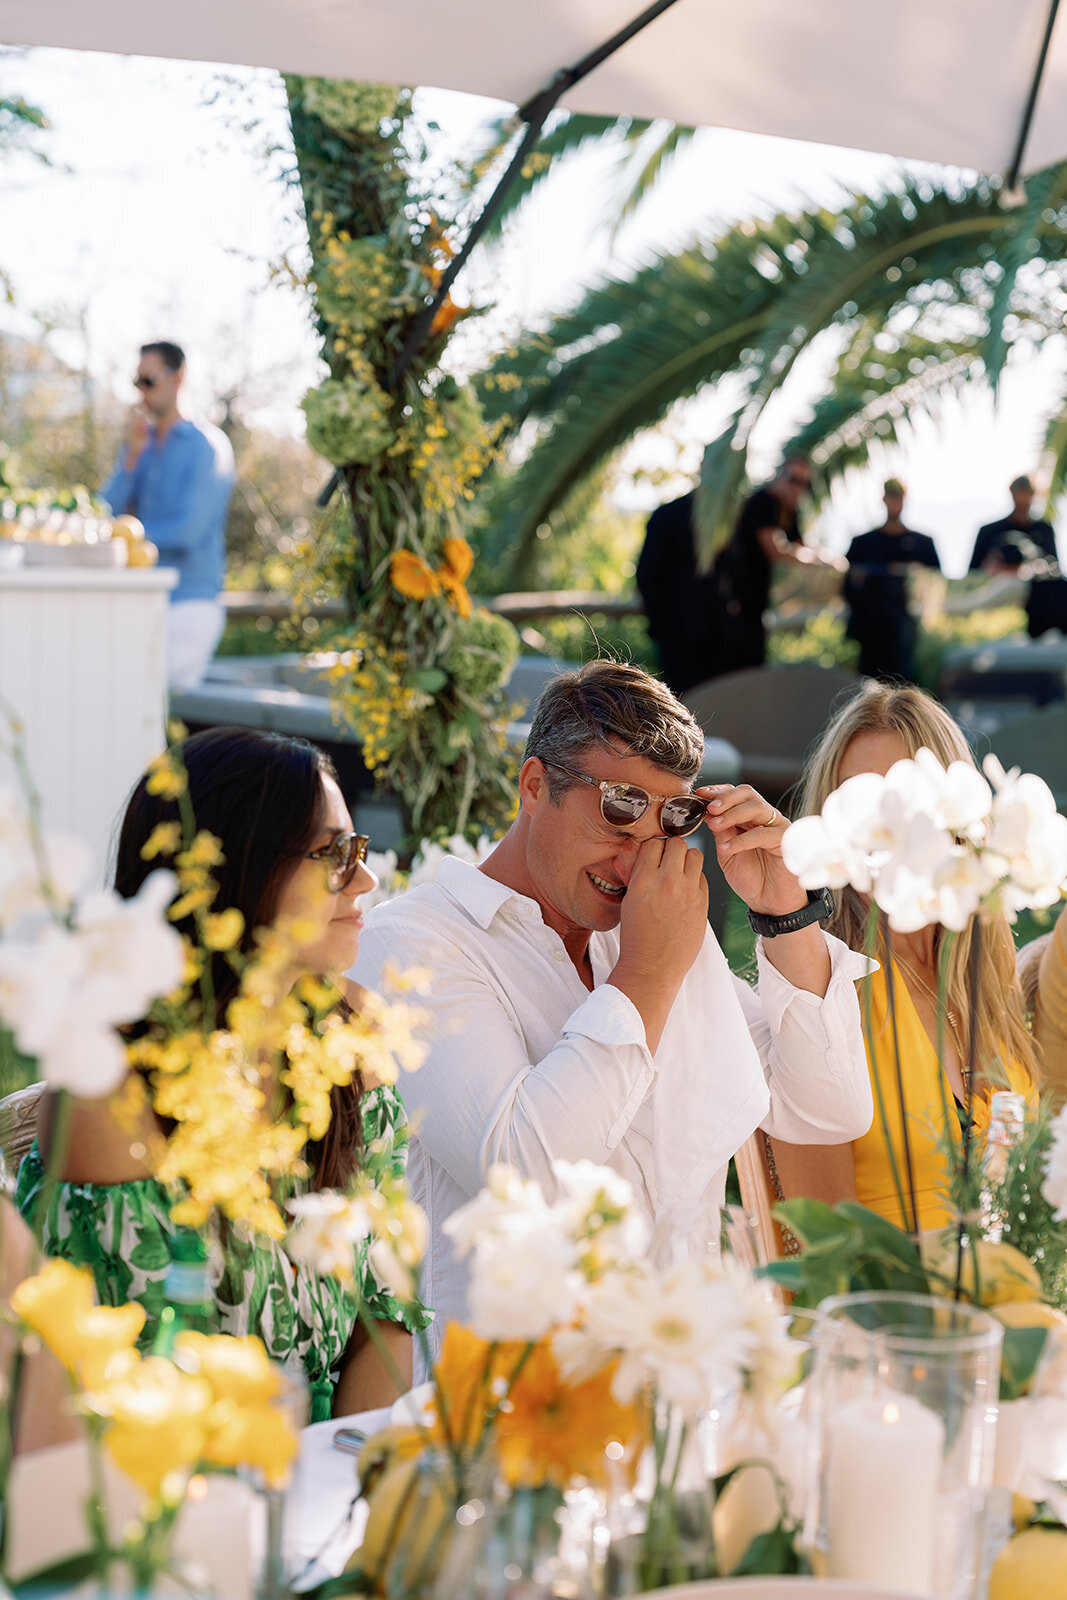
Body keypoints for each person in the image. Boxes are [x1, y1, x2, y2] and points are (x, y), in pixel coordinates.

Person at [354, 661, 873, 1371]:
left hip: (681, 1399)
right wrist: (647, 973)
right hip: (513, 1419)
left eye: (670, 821)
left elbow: (827, 1110)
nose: (637, 858)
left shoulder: (651, 926)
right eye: (618, 810)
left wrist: (786, 912)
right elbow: (524, 1173)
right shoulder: (412, 942)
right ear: (534, 786)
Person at [16, 727, 426, 1420]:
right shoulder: (113, 1094)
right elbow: (137, 1384)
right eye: (331, 854)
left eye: (356, 850)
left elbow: (384, 1314)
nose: (365, 879)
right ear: (237, 869)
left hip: (317, 1480)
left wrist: (342, 1484)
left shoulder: (350, 1035)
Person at [770, 684, 1037, 1232]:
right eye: (858, 805)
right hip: (889, 1304)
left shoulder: (984, 981)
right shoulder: (819, 991)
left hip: (1010, 1292)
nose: (881, 835)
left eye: (904, 805)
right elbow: (824, 1243)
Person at [101, 342, 236, 689]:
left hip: (188, 605)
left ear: (180, 378)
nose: (141, 391)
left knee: (153, 712)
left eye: (149, 380)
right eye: (137, 382)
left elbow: (187, 531)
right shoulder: (138, 445)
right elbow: (103, 515)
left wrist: (124, 536)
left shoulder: (207, 446)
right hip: (140, 602)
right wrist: (131, 460)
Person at [713, 453, 837, 671]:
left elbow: (800, 547)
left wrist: (820, 558)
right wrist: (819, 558)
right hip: (734, 602)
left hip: (758, 604)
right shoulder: (763, 501)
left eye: (804, 483)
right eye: (793, 478)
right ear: (779, 475)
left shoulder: (790, 510)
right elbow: (778, 551)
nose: (797, 487)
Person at [842, 478, 941, 682]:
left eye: (899, 496)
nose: (895, 501)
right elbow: (847, 588)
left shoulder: (922, 544)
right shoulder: (863, 543)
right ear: (884, 498)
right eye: (891, 496)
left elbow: (936, 586)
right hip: (870, 632)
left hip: (908, 632)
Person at [635, 491, 726, 695]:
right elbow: (647, 577)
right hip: (679, 643)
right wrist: (668, 627)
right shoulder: (668, 516)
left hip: (716, 643)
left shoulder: (729, 518)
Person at [970, 475, 1064, 638]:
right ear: (1012, 494)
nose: (1023, 499)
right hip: (999, 588)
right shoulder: (990, 531)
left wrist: (1022, 570)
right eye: (1019, 493)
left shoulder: (1043, 529)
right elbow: (975, 571)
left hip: (1038, 592)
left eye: (1026, 493)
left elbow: (1053, 567)